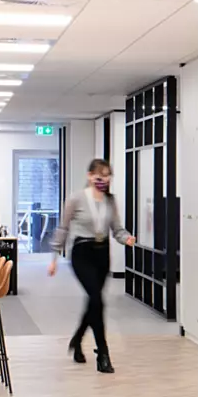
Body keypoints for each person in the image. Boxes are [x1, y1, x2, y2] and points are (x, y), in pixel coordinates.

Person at [49, 159, 136, 374]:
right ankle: (103, 354)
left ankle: (77, 339)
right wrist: (54, 258)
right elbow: (63, 228)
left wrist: (127, 239)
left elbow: (117, 229)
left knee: (94, 302)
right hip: (81, 253)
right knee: (97, 301)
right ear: (89, 176)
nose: (102, 180)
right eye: (98, 175)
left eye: (106, 176)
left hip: (102, 254)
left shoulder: (110, 201)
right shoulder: (76, 199)